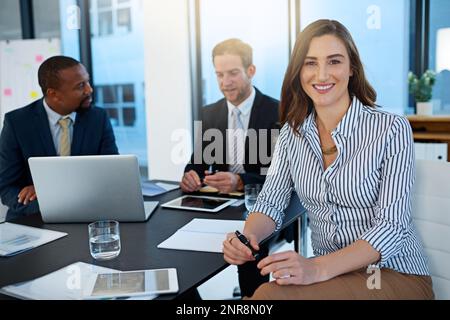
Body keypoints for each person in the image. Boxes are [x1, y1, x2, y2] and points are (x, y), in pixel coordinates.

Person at [223, 20, 434, 300]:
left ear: (351, 68)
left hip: (390, 273)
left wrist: (316, 268)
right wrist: (248, 236)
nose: (321, 75)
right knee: (264, 294)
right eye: (310, 63)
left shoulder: (391, 128)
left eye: (334, 61)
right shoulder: (291, 134)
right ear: (299, 71)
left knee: (267, 297)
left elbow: (391, 226)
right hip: (330, 275)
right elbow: (271, 202)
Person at [180, 39, 281, 298]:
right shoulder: (210, 112)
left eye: (233, 73)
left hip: (260, 202)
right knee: (179, 242)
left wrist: (240, 180)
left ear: (251, 71)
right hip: (220, 203)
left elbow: (282, 174)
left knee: (248, 244)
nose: (225, 82)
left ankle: (253, 299)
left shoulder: (277, 111)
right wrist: (190, 176)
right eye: (219, 74)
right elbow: (198, 163)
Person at [0, 56, 119, 221]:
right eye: (80, 86)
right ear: (53, 94)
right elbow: (6, 187)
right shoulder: (17, 123)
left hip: (88, 215)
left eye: (88, 82)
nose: (89, 90)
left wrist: (46, 191)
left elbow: (111, 175)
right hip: (32, 219)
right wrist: (45, 203)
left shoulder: (98, 118)